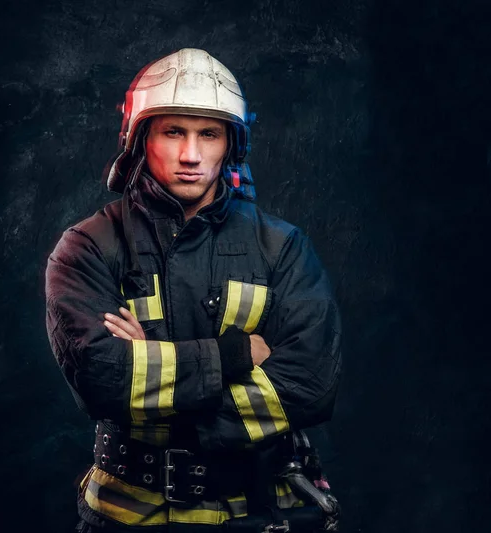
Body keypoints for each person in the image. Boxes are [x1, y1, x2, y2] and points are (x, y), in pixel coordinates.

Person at [45, 48, 342, 533]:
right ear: (139, 139)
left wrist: (155, 377)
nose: (191, 154)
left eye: (209, 133)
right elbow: (102, 380)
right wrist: (235, 354)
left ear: (232, 144)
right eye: (172, 132)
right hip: (129, 517)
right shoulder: (87, 248)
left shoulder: (283, 248)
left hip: (261, 513)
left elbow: (310, 386)